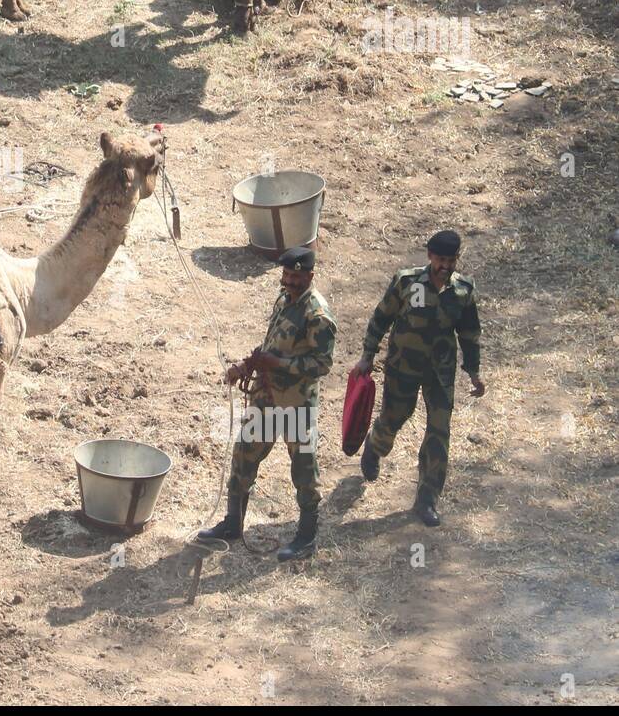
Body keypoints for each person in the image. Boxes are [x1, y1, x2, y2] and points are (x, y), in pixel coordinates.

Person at [199, 246, 338, 561]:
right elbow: (272, 343)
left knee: (303, 467)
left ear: (310, 276)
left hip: (296, 404)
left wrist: (277, 364)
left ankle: (305, 537)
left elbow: (321, 365)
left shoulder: (317, 314)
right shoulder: (284, 300)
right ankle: (233, 523)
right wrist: (246, 366)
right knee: (244, 453)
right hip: (266, 397)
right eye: (286, 275)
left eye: (296, 276)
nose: (289, 281)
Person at [352, 230, 485, 527]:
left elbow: (469, 334)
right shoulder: (407, 281)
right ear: (429, 256)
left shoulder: (463, 290)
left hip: (441, 371)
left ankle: (427, 499)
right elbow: (380, 318)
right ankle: (375, 446)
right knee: (395, 417)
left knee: (439, 432)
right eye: (440, 259)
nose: (445, 266)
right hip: (403, 367)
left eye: (451, 260)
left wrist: (474, 371)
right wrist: (367, 356)